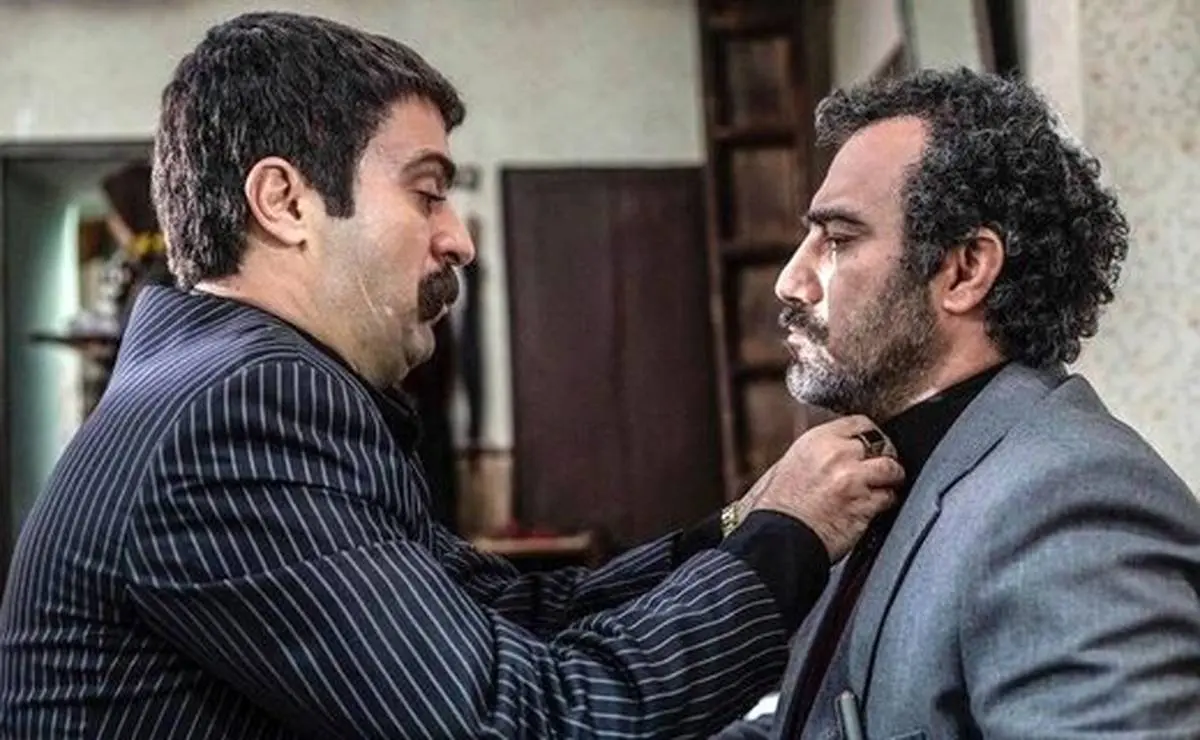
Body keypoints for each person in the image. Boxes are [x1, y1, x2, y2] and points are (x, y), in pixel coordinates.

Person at [0, 12, 905, 739]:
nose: (459, 240)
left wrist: (752, 519)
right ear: (285, 202)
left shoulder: (215, 384)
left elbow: (515, 612)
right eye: (428, 192)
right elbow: (534, 721)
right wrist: (788, 541)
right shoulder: (237, 411)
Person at [716, 68, 1200, 739]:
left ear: (966, 269)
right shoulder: (884, 471)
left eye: (839, 239)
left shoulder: (1066, 500)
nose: (791, 281)